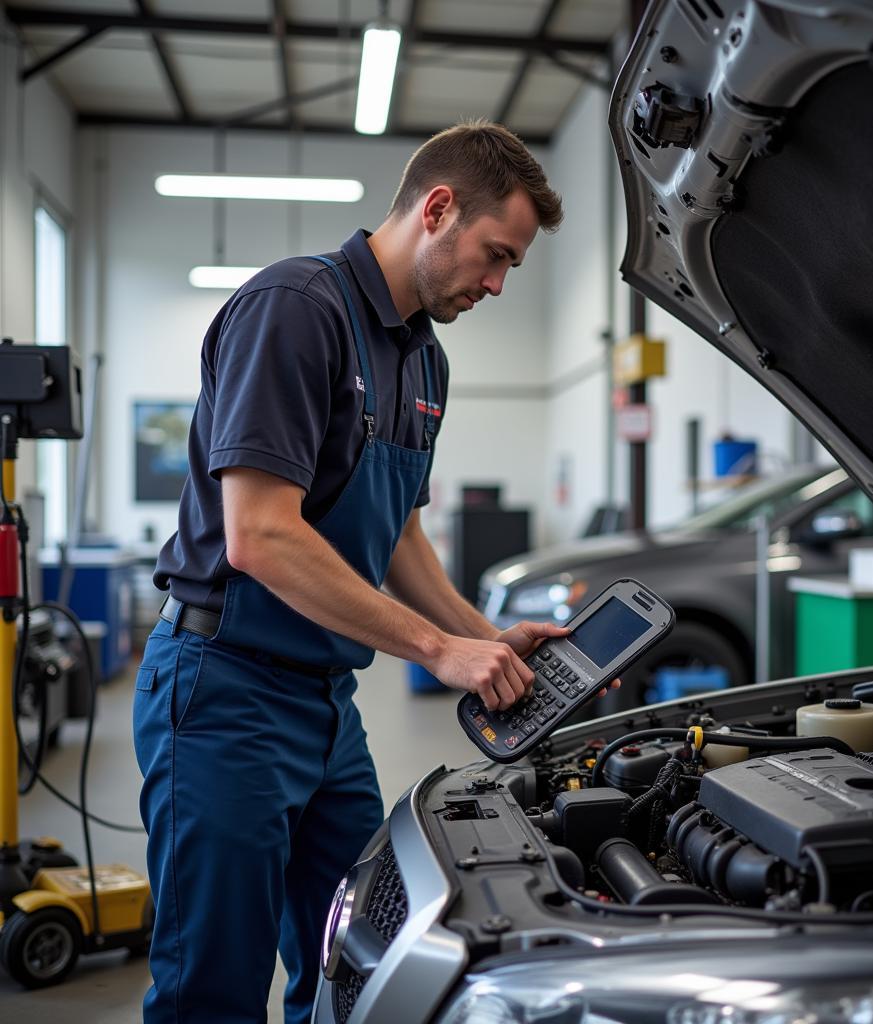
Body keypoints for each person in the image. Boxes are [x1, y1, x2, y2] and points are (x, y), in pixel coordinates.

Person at [134, 121, 609, 1024]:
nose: (499, 284)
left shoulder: (422, 355)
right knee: (214, 988)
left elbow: (398, 540)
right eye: (495, 254)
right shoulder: (296, 308)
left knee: (363, 958)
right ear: (437, 210)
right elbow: (260, 536)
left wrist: (482, 637)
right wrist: (436, 650)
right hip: (223, 693)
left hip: (324, 704)